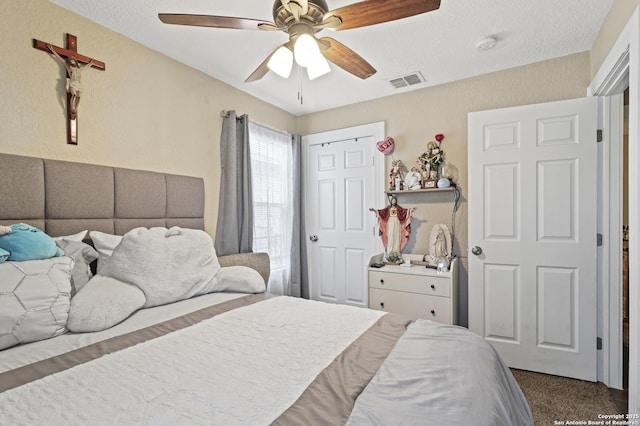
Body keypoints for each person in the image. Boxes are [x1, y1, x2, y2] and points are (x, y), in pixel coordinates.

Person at [48, 45, 95, 119]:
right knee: (74, 95)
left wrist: (90, 64)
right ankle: (72, 109)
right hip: (73, 83)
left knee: (78, 97)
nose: (72, 60)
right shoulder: (68, 66)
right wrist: (53, 50)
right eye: (71, 60)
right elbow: (60, 59)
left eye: (73, 60)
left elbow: (85, 67)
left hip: (79, 84)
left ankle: (75, 109)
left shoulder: (78, 68)